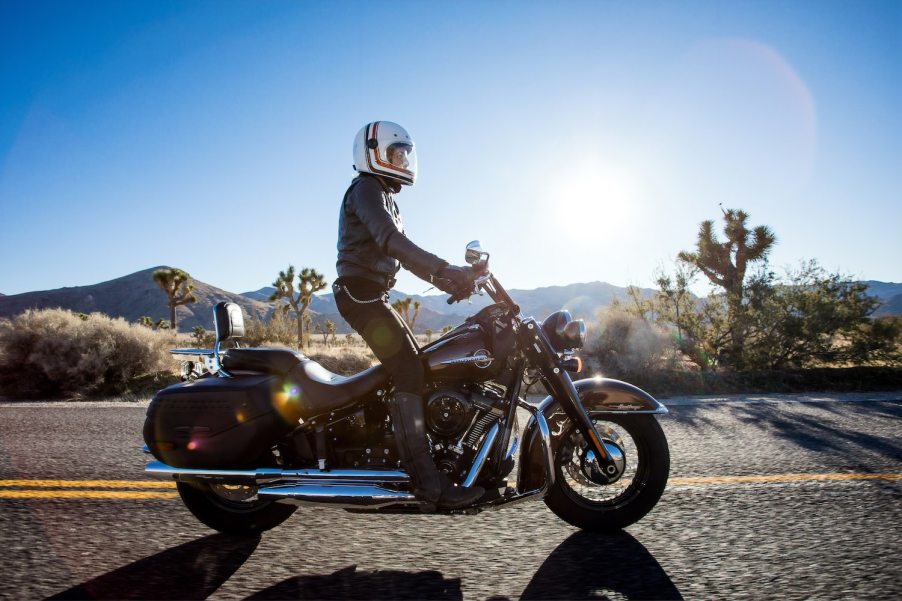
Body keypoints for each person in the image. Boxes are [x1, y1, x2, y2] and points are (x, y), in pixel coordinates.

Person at [334, 121, 484, 510]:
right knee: (409, 371)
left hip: (371, 295)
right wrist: (443, 271)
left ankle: (416, 456)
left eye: (403, 154)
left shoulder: (383, 194)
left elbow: (395, 247)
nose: (401, 160)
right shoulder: (366, 189)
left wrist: (454, 279)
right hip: (360, 296)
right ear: (373, 153)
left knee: (420, 367)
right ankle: (429, 486)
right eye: (394, 153)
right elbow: (392, 242)